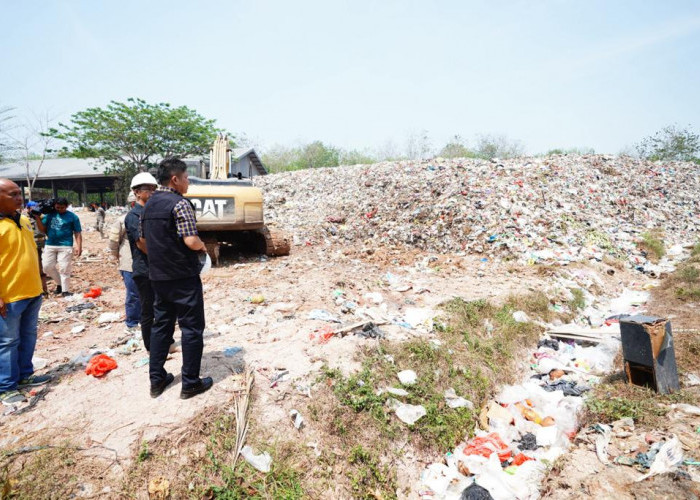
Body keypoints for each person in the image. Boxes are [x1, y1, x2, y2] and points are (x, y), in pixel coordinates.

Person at [141, 158, 212, 399]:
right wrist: (203, 247)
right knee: (191, 328)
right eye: (185, 177)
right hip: (182, 277)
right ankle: (190, 382)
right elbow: (190, 240)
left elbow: (143, 241)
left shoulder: (148, 205)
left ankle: (157, 380)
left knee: (161, 326)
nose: (188, 181)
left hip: (158, 277)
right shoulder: (180, 204)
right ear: (175, 179)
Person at [0, 179, 51, 406]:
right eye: (12, 195)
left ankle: (24, 375)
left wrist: (41, 279)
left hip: (32, 290)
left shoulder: (23, 219)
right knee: (8, 342)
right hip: (9, 296)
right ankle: (6, 387)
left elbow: (32, 252)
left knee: (28, 335)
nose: (19, 198)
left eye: (19, 194)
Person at [107, 192, 141, 335]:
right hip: (129, 262)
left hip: (143, 263)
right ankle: (132, 322)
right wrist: (115, 256)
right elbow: (114, 241)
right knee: (133, 294)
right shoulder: (122, 220)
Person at [36, 197, 82, 296]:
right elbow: (42, 230)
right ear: (54, 206)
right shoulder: (49, 215)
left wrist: (79, 246)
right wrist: (37, 218)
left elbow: (77, 232)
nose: (60, 209)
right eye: (58, 207)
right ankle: (60, 284)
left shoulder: (73, 217)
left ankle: (65, 291)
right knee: (47, 267)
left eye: (62, 208)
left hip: (65, 245)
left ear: (67, 206)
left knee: (64, 268)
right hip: (50, 244)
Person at [25, 201, 48, 295]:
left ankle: (43, 288)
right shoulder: (24, 219)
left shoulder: (42, 217)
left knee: (45, 265)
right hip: (33, 244)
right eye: (32, 208)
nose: (34, 210)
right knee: (37, 266)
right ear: (28, 209)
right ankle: (42, 289)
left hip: (43, 242)